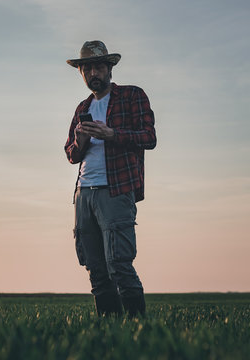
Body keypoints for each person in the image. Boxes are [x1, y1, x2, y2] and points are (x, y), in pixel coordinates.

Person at [64, 40, 157, 317]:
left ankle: (139, 329)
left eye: (98, 66)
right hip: (84, 193)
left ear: (109, 68)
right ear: (81, 72)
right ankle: (110, 329)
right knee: (95, 268)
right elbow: (71, 154)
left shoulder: (132, 96)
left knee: (119, 264)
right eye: (87, 68)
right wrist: (80, 142)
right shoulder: (82, 107)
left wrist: (112, 134)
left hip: (116, 190)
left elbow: (149, 138)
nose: (93, 73)